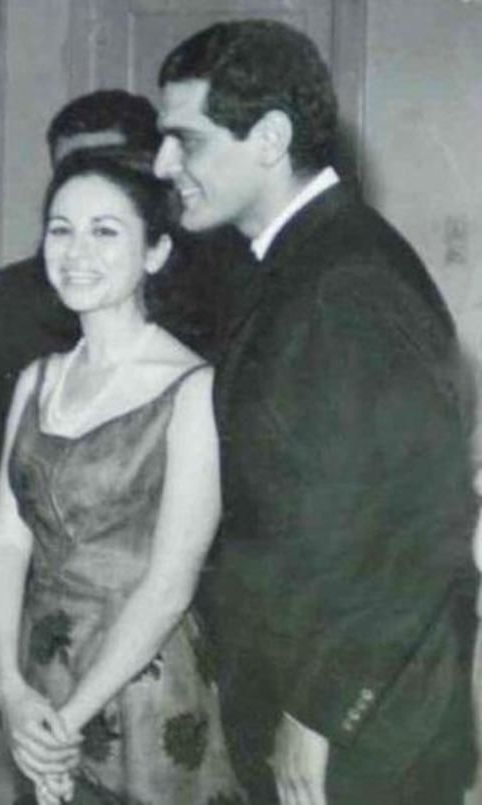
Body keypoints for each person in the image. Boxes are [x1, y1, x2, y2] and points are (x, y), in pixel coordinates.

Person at [154, 19, 479, 805]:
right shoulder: (295, 260)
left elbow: (422, 521)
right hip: (306, 702)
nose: (162, 163)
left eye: (185, 140)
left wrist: (321, 710)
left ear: (270, 138)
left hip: (360, 735)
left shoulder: (347, 281)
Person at [0, 147, 245, 805]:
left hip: (135, 686)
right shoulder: (37, 378)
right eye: (60, 229)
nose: (76, 252)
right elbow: (6, 545)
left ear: (156, 251)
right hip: (31, 678)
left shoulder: (193, 389)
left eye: (105, 231)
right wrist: (10, 686)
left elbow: (170, 586)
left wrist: (66, 725)